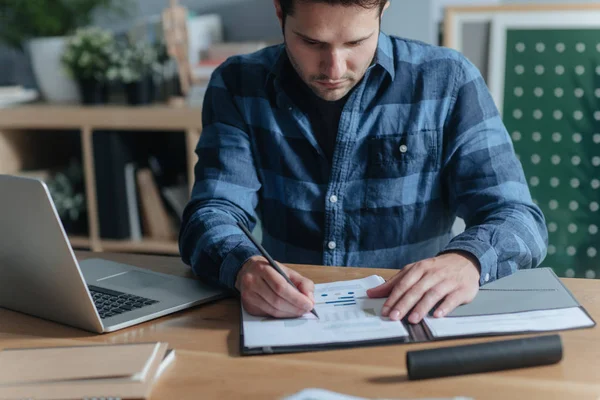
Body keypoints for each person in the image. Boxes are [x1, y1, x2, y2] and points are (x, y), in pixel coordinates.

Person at [179, 0, 548, 324]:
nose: (334, 68)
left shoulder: (448, 81)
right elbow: (212, 212)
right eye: (312, 42)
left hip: (411, 319)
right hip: (290, 321)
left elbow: (518, 217)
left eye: (355, 42)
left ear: (383, 9)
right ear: (279, 10)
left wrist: (468, 261)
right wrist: (244, 266)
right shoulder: (238, 84)